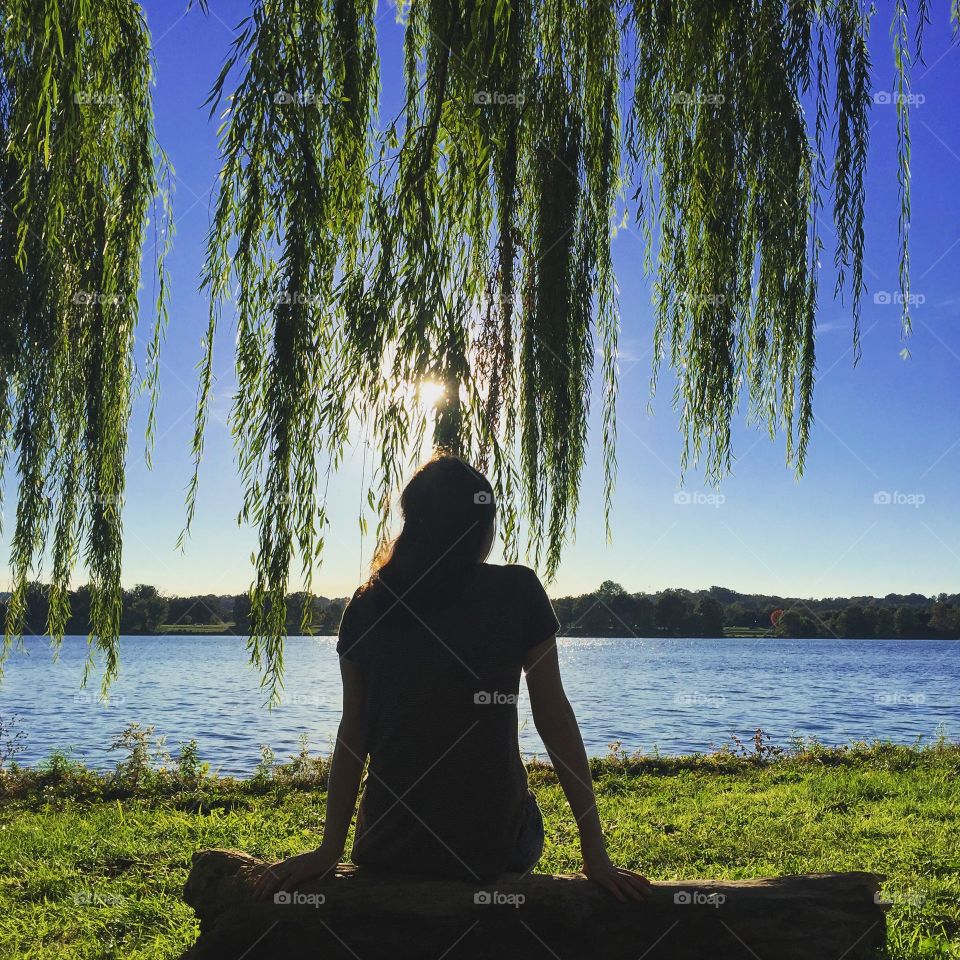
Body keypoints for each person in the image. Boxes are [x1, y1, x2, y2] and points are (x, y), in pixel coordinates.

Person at [254, 454, 651, 903]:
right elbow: (554, 716)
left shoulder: (367, 605)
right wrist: (595, 851)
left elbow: (354, 733)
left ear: (413, 524)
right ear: (479, 527)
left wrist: (329, 849)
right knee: (520, 809)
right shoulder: (518, 590)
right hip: (494, 847)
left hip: (388, 845)